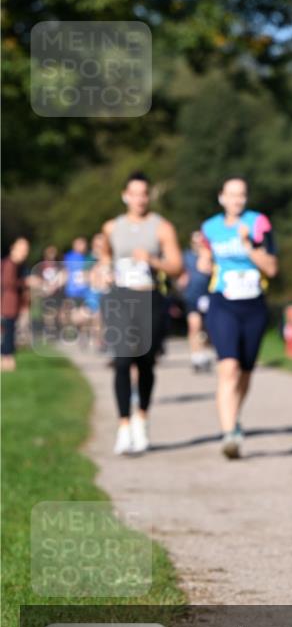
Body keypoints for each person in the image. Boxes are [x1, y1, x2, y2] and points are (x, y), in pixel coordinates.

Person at [101, 172, 182, 455]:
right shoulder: (112, 227)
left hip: (149, 297)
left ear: (149, 196)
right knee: (122, 361)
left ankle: (142, 419)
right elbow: (104, 260)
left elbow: (177, 266)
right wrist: (104, 273)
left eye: (144, 193)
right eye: (134, 193)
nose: (139, 199)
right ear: (125, 195)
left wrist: (153, 260)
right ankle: (123, 425)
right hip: (120, 298)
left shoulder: (162, 227)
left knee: (145, 362)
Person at [199, 177, 278, 459]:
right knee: (228, 367)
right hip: (223, 303)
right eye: (231, 195)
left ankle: (234, 415)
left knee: (245, 371)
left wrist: (248, 245)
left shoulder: (259, 223)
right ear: (221, 197)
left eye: (241, 195)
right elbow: (204, 262)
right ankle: (229, 432)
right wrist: (203, 259)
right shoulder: (209, 227)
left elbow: (271, 268)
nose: (237, 200)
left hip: (253, 304)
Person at [178, 230, 213, 373]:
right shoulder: (185, 256)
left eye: (201, 241)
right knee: (194, 326)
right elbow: (179, 275)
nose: (198, 243)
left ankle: (204, 353)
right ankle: (196, 356)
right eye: (195, 241)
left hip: (209, 295)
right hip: (192, 295)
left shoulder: (211, 256)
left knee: (207, 329)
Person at [1, 237, 30, 371]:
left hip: (13, 305)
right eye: (22, 249)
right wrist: (25, 282)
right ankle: (6, 359)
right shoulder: (10, 264)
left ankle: (7, 359)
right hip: (8, 304)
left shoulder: (18, 265)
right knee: (8, 333)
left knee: (10, 333)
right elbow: (7, 283)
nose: (24, 253)